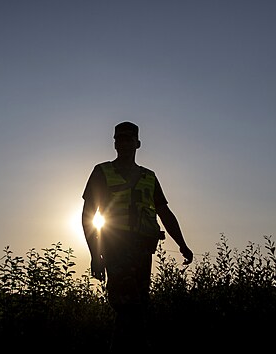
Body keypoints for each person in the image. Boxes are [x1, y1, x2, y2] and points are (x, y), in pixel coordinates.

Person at [81, 121, 194, 352]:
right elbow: (88, 216)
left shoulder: (149, 177)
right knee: (128, 305)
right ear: (114, 143)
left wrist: (182, 244)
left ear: (137, 143)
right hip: (115, 248)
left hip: (143, 251)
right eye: (119, 139)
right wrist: (95, 255)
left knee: (139, 306)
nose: (123, 143)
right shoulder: (102, 172)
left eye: (128, 139)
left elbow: (165, 212)